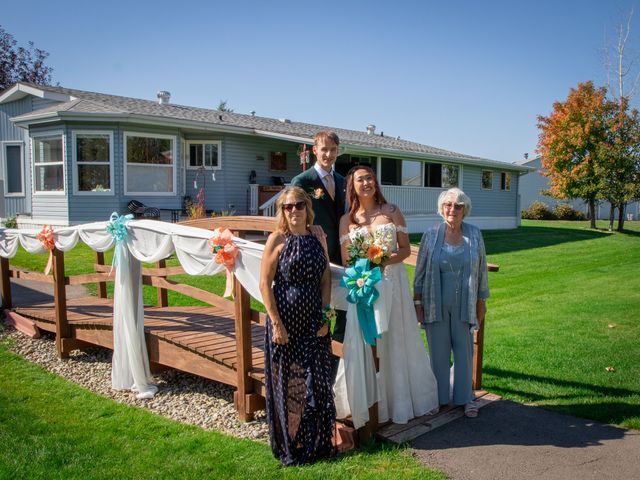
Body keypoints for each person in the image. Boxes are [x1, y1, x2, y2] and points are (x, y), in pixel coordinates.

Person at [335, 165, 439, 426]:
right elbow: (348, 259)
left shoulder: (392, 211)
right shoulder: (347, 220)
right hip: (365, 288)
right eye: (361, 179)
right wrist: (366, 271)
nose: (367, 183)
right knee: (369, 342)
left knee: (396, 338)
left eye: (370, 178)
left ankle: (400, 400)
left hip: (393, 281)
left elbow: (405, 250)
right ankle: (368, 401)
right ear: (353, 186)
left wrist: (382, 262)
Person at [259, 186, 335, 466]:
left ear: (307, 208)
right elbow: (264, 285)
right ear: (282, 210)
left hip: (314, 320)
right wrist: (276, 324)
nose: (293, 211)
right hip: (286, 324)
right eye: (287, 207)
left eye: (298, 206)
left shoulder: (318, 237)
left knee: (318, 381)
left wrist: (326, 316)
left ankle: (317, 441)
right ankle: (292, 442)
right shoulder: (277, 239)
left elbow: (326, 278)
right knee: (290, 384)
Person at [413, 187, 489, 418]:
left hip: (464, 302)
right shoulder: (431, 234)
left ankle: (466, 398)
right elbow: (420, 271)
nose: (452, 209)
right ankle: (438, 398)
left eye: (457, 206)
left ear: (465, 210)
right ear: (441, 208)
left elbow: (482, 269)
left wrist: (481, 300)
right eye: (447, 204)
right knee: (438, 352)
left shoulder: (474, 234)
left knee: (464, 351)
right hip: (435, 300)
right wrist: (418, 303)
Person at [291, 131, 347, 367]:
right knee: (317, 311)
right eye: (324, 149)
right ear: (315, 150)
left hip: (343, 256)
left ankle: (337, 367)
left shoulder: (344, 182)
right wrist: (309, 225)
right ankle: (312, 364)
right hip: (315, 256)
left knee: (344, 311)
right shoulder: (303, 181)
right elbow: (291, 217)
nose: (328, 154)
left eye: (333, 150)